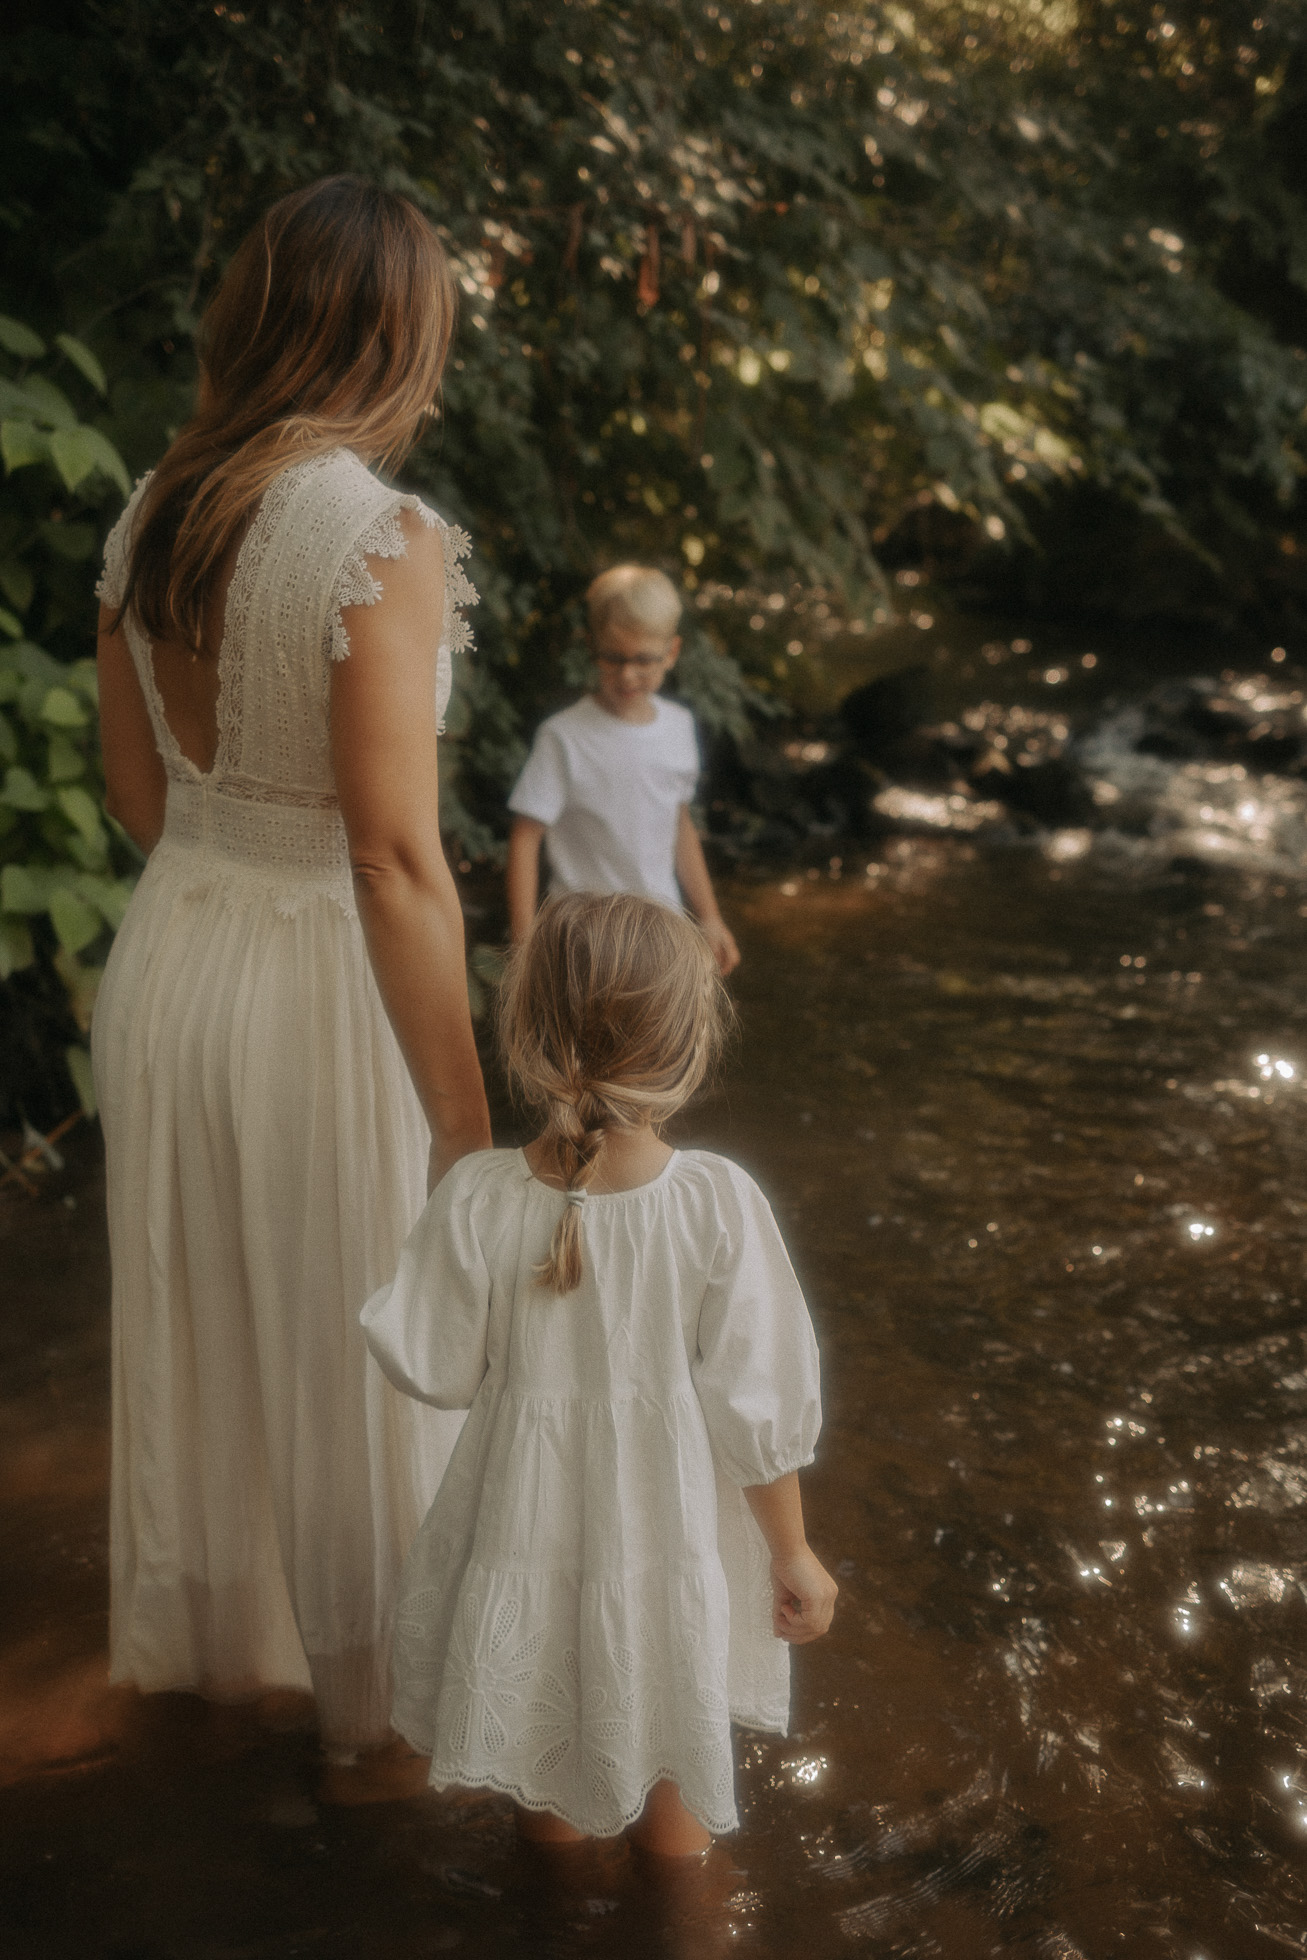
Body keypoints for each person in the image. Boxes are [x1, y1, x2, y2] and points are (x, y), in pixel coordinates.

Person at [92, 176, 492, 1777]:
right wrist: (467, 1135)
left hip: (174, 951)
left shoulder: (153, 510)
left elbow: (138, 797)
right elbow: (394, 863)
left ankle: (229, 1694)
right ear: (392, 333)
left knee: (208, 1322)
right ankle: (376, 1745)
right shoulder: (377, 539)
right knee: (365, 1359)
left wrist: (223, 857)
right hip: (315, 984)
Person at [361, 892, 836, 1854]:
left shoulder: (481, 1195)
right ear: (687, 1042)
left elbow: (435, 1367)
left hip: (521, 1532)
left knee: (544, 1774)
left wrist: (447, 1212)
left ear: (525, 1031)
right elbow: (758, 1405)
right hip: (669, 1541)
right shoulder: (716, 1203)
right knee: (678, 1801)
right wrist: (792, 1554)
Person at [504, 566, 741, 976]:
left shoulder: (678, 727)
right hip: (581, 937)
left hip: (659, 931)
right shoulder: (564, 736)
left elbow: (679, 826)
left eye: (644, 660)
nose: (628, 674)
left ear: (672, 652)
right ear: (591, 645)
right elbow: (526, 837)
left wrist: (710, 916)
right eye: (613, 658)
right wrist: (525, 943)